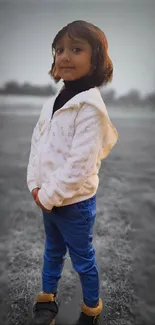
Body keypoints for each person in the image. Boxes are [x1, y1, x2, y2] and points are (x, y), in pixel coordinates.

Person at [27, 20, 118, 325]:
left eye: (76, 49)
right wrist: (35, 186)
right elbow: (37, 145)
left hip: (74, 203)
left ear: (96, 60)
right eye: (59, 50)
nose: (64, 56)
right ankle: (47, 301)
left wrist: (49, 195)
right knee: (52, 252)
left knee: (82, 260)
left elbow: (79, 164)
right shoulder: (52, 102)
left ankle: (90, 309)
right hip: (48, 198)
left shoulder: (89, 108)